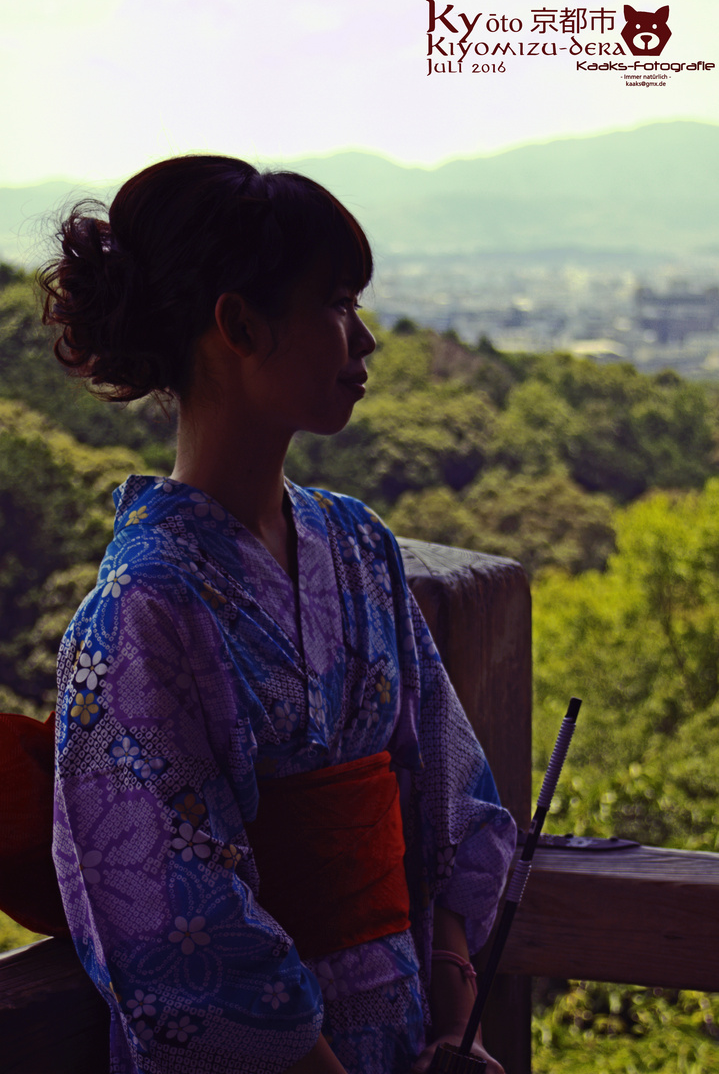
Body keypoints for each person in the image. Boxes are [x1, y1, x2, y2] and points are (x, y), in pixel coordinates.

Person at [41, 155, 517, 1074]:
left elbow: (450, 789)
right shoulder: (143, 606)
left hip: (412, 1031)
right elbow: (174, 928)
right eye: (337, 303)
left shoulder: (358, 546)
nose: (364, 338)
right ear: (238, 323)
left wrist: (455, 1015)